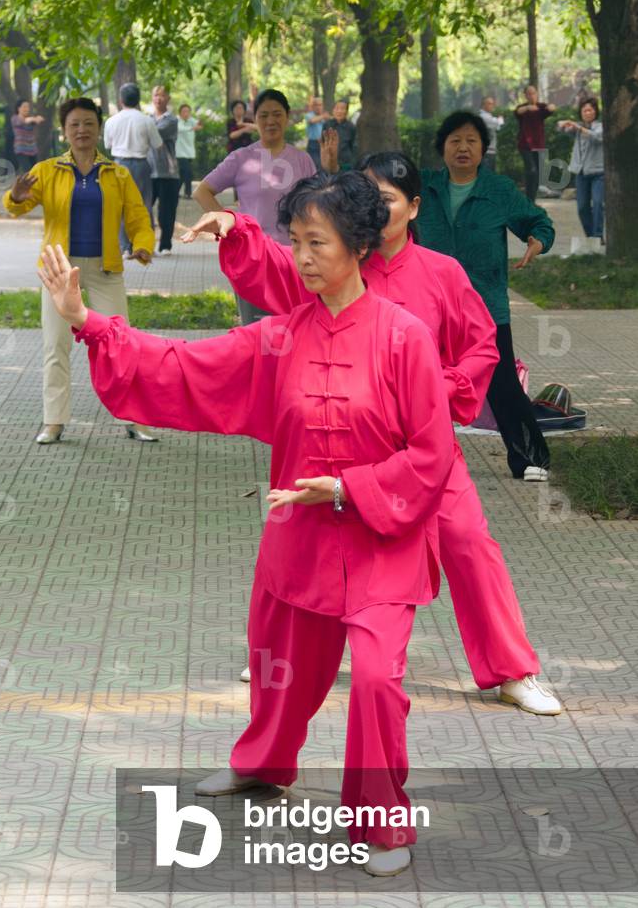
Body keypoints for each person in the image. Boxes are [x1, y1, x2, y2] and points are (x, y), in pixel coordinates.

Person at [38, 171, 458, 877]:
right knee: (278, 670)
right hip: (299, 540)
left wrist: (349, 487)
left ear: (359, 244)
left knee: (377, 682)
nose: (303, 257)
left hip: (382, 542)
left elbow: (432, 452)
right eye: (295, 242)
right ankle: (263, 763)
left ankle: (381, 822)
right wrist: (88, 321)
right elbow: (183, 366)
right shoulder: (279, 337)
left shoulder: (404, 337)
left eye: (318, 242)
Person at [189, 151, 562, 717]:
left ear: (413, 207)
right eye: (363, 197)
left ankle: (512, 669)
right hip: (335, 441)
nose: (372, 208)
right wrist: (234, 227)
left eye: (385, 199)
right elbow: (277, 262)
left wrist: (442, 388)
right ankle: (280, 656)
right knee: (297, 537)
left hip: (423, 450)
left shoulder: (442, 273)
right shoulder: (335, 264)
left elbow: (481, 345)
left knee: (468, 542)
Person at [2, 96, 157, 444]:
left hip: (105, 269)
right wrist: (16, 195)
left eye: (88, 123)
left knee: (121, 343)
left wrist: (143, 244)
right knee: (55, 344)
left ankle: (135, 419)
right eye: (74, 124)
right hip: (60, 272)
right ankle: (54, 421)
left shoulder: (117, 174)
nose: (82, 130)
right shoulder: (46, 170)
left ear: (99, 128)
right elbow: (18, 206)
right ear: (64, 131)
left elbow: (137, 216)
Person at [416, 111, 554, 481]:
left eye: (471, 141)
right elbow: (376, 186)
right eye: (455, 140)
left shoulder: (499, 190)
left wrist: (537, 241)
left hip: (485, 307)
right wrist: (333, 167)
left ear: (482, 149)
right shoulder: (424, 187)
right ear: (442, 148)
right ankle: (416, 459)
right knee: (417, 381)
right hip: (428, 306)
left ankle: (530, 459)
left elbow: (537, 221)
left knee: (502, 383)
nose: (463, 147)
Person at [192, 88, 316, 324]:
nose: (271, 121)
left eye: (277, 114)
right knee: (258, 332)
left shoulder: (303, 160)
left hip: (296, 260)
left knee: (298, 328)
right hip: (256, 259)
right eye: (264, 115)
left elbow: (316, 207)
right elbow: (202, 191)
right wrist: (230, 227)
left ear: (287, 117)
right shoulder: (242, 158)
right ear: (255, 119)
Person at [103, 83, 163, 256]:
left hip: (119, 164)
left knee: (121, 205)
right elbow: (158, 144)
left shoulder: (112, 121)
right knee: (144, 205)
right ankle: (145, 246)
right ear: (138, 100)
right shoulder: (146, 120)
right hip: (141, 165)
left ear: (120, 100)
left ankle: (125, 247)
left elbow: (107, 145)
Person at [558, 98, 604, 252]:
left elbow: (597, 137)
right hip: (581, 173)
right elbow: (562, 130)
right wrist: (564, 124)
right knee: (582, 207)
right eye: (584, 110)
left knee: (598, 203)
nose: (587, 113)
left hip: (598, 173)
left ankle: (598, 236)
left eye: (590, 110)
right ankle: (591, 237)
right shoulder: (577, 129)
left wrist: (578, 127)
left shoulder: (600, 127)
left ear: (595, 112)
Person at [148, 86, 179, 256]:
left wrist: (142, 127)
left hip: (168, 172)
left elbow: (155, 133)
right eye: (155, 95)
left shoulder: (171, 120)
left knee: (166, 212)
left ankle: (165, 245)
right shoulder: (147, 118)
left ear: (168, 98)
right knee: (144, 209)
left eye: (162, 95)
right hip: (148, 172)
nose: (158, 98)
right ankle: (147, 244)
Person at [515, 85, 556, 202]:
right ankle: (529, 200)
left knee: (537, 174)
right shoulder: (522, 108)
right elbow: (518, 112)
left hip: (539, 145)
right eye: (529, 93)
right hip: (525, 145)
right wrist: (528, 108)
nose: (531, 95)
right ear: (525, 95)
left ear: (537, 94)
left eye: (533, 93)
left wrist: (551, 107)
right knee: (531, 171)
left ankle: (531, 201)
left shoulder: (541, 107)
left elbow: (551, 109)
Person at [11, 99, 45, 174]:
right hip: (21, 150)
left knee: (36, 171)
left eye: (28, 107)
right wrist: (35, 119)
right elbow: (24, 121)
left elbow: (39, 120)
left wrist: (37, 119)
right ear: (18, 108)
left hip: (32, 150)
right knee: (28, 172)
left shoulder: (31, 120)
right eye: (24, 107)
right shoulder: (15, 118)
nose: (26, 109)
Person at [176, 103, 202, 199]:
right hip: (180, 153)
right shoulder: (177, 121)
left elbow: (199, 124)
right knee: (188, 172)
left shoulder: (191, 120)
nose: (186, 113)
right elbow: (181, 129)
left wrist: (199, 116)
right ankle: (188, 193)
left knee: (183, 175)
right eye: (184, 111)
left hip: (189, 153)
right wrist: (193, 128)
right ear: (180, 113)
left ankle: (175, 192)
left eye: (188, 111)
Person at [323, 99, 357, 170]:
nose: (339, 111)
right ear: (333, 110)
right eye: (337, 108)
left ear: (346, 111)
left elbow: (353, 145)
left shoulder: (351, 127)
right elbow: (323, 143)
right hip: (330, 161)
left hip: (346, 162)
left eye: (342, 108)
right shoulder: (327, 124)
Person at [478, 95, 504, 172]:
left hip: (491, 150)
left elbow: (497, 127)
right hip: (486, 152)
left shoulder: (488, 116)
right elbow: (498, 123)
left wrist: (498, 121)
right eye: (489, 103)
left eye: (492, 103)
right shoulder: (483, 116)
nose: (492, 105)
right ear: (483, 105)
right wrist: (500, 119)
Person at [304, 96, 329, 170]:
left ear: (323, 106)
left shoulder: (326, 117)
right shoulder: (309, 115)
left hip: (324, 144)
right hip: (313, 144)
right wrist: (323, 116)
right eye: (316, 105)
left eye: (320, 105)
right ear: (313, 106)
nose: (318, 107)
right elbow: (312, 120)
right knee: (315, 166)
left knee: (325, 166)